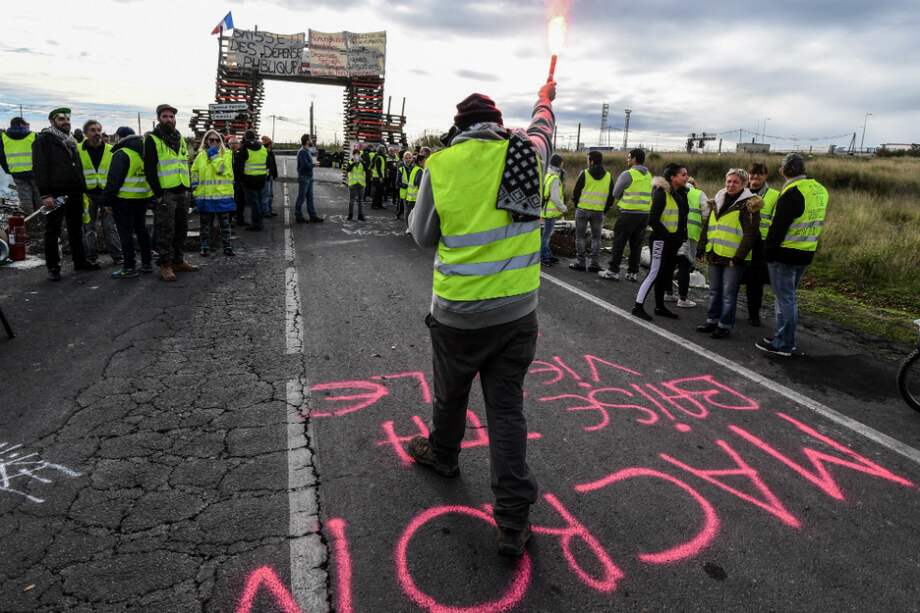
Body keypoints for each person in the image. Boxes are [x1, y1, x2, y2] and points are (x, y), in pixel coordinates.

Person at [407, 83, 556, 558]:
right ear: (497, 124)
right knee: (507, 412)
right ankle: (513, 521)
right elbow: (542, 129)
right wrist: (544, 98)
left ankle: (445, 457)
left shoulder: (441, 164)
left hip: (458, 314)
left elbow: (421, 235)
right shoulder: (526, 155)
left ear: (459, 128)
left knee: (451, 395)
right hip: (517, 312)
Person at [755, 153, 828, 357]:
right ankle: (781, 336)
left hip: (785, 253)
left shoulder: (791, 192)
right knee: (788, 298)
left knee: (785, 300)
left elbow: (778, 227)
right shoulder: (820, 189)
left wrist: (767, 253)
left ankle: (784, 343)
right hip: (806, 251)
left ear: (783, 171)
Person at [696, 169, 762, 338]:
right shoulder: (718, 198)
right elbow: (708, 225)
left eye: (735, 182)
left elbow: (751, 234)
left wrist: (738, 257)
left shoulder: (749, 204)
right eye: (729, 181)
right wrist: (701, 247)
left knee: (728, 294)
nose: (731, 185)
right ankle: (712, 320)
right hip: (715, 252)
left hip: (733, 258)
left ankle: (724, 325)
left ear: (744, 184)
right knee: (714, 290)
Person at [32, 107, 97, 280]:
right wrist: (45, 195)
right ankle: (53, 268)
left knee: (76, 228)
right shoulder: (44, 140)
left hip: (74, 191)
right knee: (53, 230)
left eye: (68, 119)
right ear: (52, 121)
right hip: (55, 192)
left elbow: (78, 167)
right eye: (61, 119)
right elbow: (40, 168)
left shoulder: (71, 141)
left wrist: (83, 188)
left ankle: (80, 261)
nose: (66, 122)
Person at [145, 103, 197, 281]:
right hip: (166, 193)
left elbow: (185, 165)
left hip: (182, 191)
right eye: (165, 116)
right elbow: (150, 169)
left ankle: (178, 260)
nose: (169, 119)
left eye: (172, 117)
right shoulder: (153, 139)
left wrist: (189, 190)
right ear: (159, 118)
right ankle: (165, 265)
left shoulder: (179, 138)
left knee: (181, 228)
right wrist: (158, 194)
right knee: (165, 230)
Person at [632, 163, 688, 321]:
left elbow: (681, 218)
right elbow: (653, 220)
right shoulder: (661, 193)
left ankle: (660, 306)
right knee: (654, 273)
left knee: (665, 274)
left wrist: (680, 236)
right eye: (683, 174)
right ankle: (638, 306)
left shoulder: (678, 194)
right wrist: (668, 236)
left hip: (672, 243)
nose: (686, 177)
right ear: (672, 177)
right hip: (660, 241)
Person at [101, 127, 153, 278]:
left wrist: (107, 202)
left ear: (118, 137)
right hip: (142, 198)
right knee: (142, 230)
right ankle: (147, 263)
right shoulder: (144, 153)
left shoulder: (122, 153)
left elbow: (113, 181)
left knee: (126, 234)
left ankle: (129, 267)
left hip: (123, 200)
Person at [599, 148, 652, 282]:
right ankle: (632, 272)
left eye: (629, 157)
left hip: (629, 213)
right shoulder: (649, 175)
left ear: (634, 159)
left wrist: (625, 196)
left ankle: (613, 271)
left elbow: (615, 193)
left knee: (619, 242)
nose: (627, 160)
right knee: (636, 244)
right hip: (644, 215)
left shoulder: (628, 174)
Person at [79, 119, 122, 267]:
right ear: (85, 133)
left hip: (107, 195)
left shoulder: (111, 150)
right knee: (88, 228)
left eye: (98, 130)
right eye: (92, 130)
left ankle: (117, 256)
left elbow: (116, 173)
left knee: (110, 227)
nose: (96, 133)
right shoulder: (78, 150)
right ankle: (91, 257)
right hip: (86, 195)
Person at [743, 162, 780, 326]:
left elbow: (776, 221)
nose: (755, 178)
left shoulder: (774, 195)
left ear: (765, 176)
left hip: (760, 245)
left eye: (759, 175)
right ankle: (727, 312)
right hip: (741, 243)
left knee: (755, 284)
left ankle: (753, 315)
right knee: (734, 280)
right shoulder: (742, 193)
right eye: (752, 175)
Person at [665, 176, 708, 307]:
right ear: (694, 184)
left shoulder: (672, 192)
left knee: (670, 263)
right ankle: (683, 299)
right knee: (685, 264)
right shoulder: (699, 194)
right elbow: (707, 215)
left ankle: (668, 293)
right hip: (690, 234)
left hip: (671, 232)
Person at [192, 130, 236, 257]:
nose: (214, 142)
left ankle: (227, 247)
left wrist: (214, 155)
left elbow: (221, 169)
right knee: (205, 224)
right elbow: (194, 170)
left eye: (217, 140)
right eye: (211, 140)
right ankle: (205, 247)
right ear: (206, 141)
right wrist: (194, 187)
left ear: (221, 142)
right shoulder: (201, 155)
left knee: (225, 224)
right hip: (205, 196)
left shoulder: (227, 154)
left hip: (222, 195)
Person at [568, 151, 612, 272]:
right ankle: (594, 264)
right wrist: (605, 209)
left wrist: (578, 206)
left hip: (582, 210)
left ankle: (581, 263)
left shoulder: (584, 173)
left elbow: (576, 192)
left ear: (591, 161)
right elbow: (611, 196)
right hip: (598, 212)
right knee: (596, 238)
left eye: (588, 160)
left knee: (580, 237)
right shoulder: (608, 176)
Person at [0, 117, 41, 213]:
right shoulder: (33, 136)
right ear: (21, 124)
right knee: (39, 197)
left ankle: (30, 222)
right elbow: (41, 155)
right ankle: (42, 221)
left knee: (25, 199)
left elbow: (1, 157)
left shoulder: (3, 138)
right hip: (35, 172)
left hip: (17, 173)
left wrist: (8, 169)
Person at [233, 130, 270, 232]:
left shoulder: (244, 149)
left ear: (245, 137)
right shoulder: (263, 148)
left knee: (254, 203)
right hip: (261, 179)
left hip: (249, 181)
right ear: (255, 137)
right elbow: (268, 163)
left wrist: (240, 180)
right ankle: (260, 222)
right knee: (260, 201)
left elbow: (238, 168)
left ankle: (256, 224)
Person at [541, 153, 567, 267]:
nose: (563, 165)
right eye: (562, 163)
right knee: (546, 236)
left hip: (546, 210)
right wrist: (563, 208)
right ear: (559, 163)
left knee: (547, 235)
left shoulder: (547, 175)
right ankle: (544, 256)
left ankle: (547, 254)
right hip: (550, 212)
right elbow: (555, 197)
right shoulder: (555, 178)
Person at [294, 134, 323, 223]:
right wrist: (314, 164)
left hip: (309, 177)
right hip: (304, 177)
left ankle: (313, 216)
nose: (311, 140)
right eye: (310, 139)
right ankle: (298, 215)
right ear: (307, 141)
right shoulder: (302, 151)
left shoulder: (307, 150)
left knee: (310, 197)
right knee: (301, 197)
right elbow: (304, 165)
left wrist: (313, 164)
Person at [404, 148, 428, 226]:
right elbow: (419, 184)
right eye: (425, 161)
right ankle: (411, 228)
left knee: (409, 213)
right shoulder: (420, 170)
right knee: (414, 215)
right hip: (415, 197)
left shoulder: (415, 169)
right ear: (420, 162)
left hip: (410, 197)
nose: (426, 163)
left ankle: (409, 227)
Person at [228, 136, 246, 227]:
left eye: (235, 143)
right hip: (230, 183)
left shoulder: (242, 154)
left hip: (240, 181)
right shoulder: (227, 155)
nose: (233, 145)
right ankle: (229, 221)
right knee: (231, 202)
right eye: (231, 144)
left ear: (238, 144)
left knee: (241, 201)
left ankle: (240, 219)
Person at [261, 135, 279, 218]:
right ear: (268, 144)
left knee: (270, 194)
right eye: (271, 143)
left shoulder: (270, 152)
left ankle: (269, 210)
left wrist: (275, 174)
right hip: (266, 177)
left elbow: (273, 165)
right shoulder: (264, 153)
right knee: (266, 195)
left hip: (270, 176)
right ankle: (265, 211)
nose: (272, 144)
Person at [345, 148, 366, 221]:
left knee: (360, 200)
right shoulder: (350, 161)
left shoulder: (362, 162)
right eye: (355, 154)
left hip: (361, 183)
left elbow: (366, 169)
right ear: (353, 155)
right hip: (353, 183)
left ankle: (360, 215)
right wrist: (354, 162)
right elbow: (348, 170)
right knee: (352, 200)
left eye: (358, 154)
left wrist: (362, 162)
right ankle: (350, 215)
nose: (357, 156)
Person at [395, 151, 413, 220]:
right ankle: (408, 226)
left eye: (409, 158)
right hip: (405, 193)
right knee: (407, 210)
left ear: (412, 159)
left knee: (411, 210)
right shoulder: (401, 169)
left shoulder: (414, 168)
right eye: (406, 158)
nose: (408, 160)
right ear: (403, 159)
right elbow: (397, 182)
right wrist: (406, 185)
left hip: (412, 193)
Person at [372, 144, 387, 209]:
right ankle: (374, 205)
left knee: (380, 191)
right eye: (384, 149)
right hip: (377, 177)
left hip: (380, 176)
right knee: (377, 192)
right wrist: (381, 177)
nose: (385, 150)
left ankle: (379, 204)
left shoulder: (382, 157)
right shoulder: (379, 157)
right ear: (381, 150)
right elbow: (378, 168)